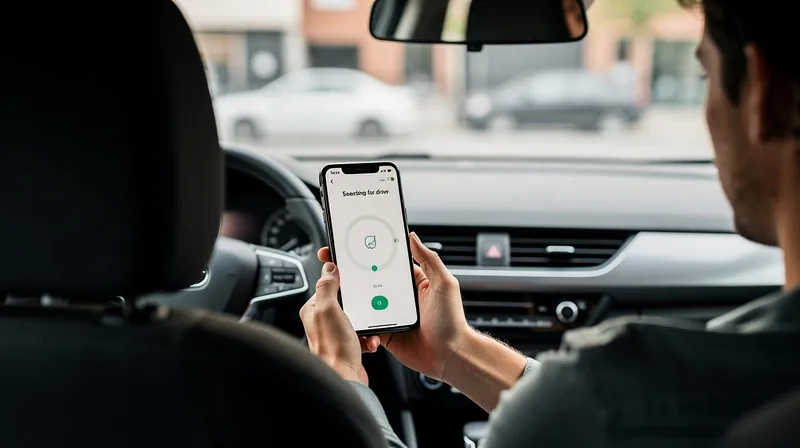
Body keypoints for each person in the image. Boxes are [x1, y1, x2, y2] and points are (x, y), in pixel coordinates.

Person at [300, 0, 800, 445]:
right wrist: (455, 353)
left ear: (766, 93)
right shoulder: (670, 397)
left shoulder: (610, 394)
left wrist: (340, 379)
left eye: (705, 76)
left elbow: (588, 411)